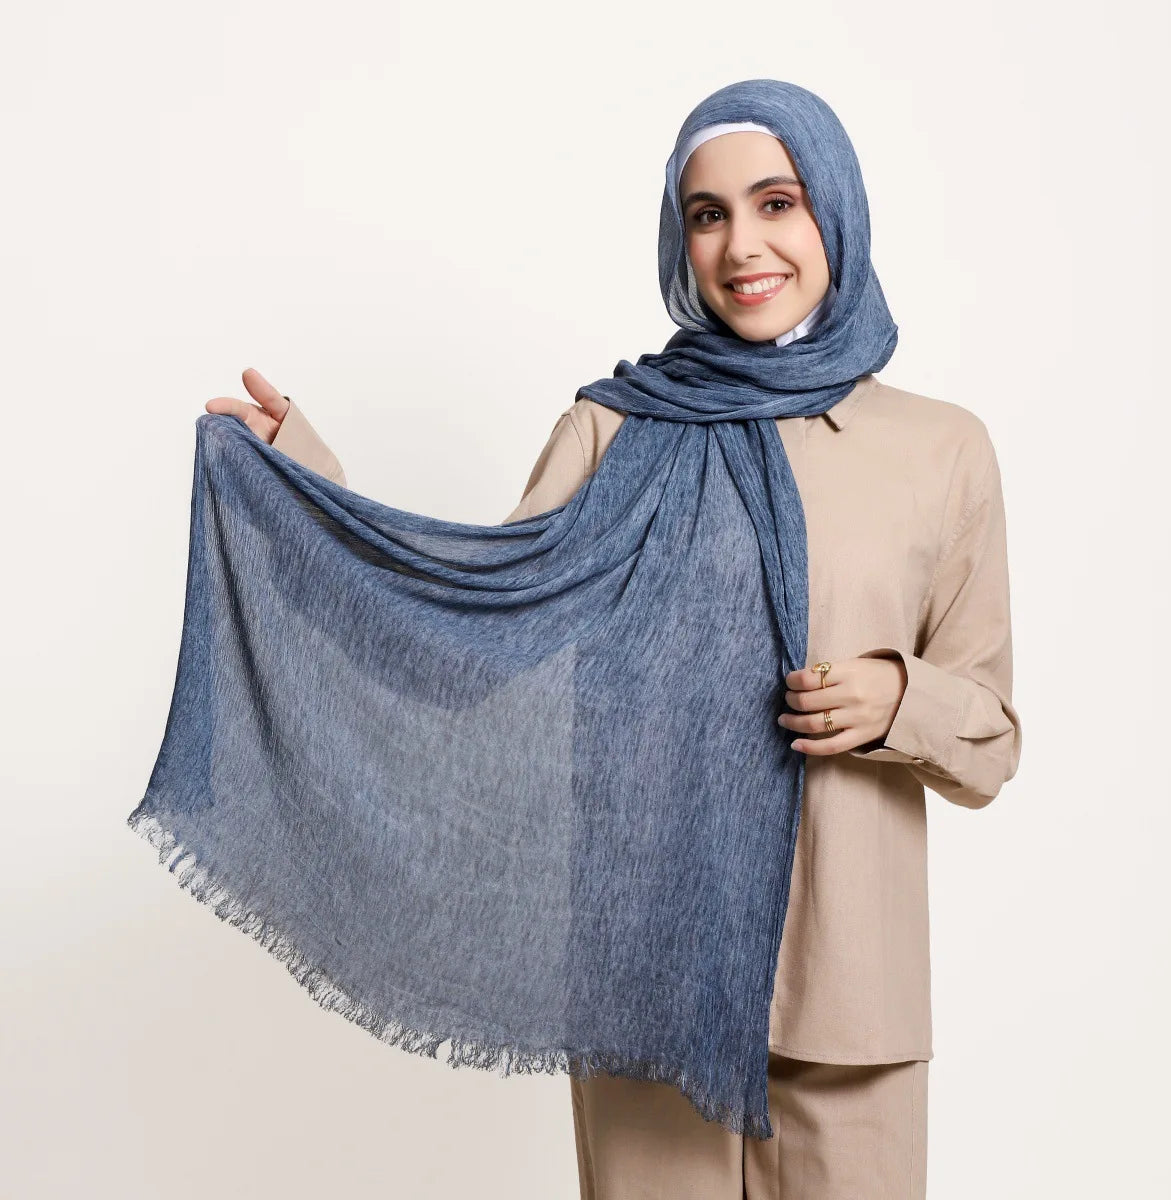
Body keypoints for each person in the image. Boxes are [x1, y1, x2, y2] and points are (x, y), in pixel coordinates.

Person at [205, 97, 1020, 1200]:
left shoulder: (942, 450)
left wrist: (896, 699)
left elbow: (990, 744)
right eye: (708, 215)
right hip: (646, 977)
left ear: (836, 210)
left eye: (776, 203)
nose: (742, 244)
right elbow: (487, 636)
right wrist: (315, 489)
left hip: (850, 992)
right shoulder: (615, 428)